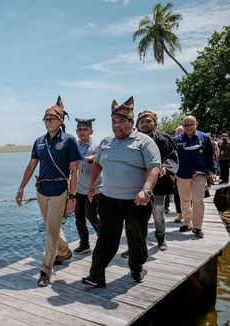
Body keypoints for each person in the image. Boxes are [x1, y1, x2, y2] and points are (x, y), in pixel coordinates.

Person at [81, 96, 161, 287]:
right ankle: (97, 275)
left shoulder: (144, 141)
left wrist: (146, 191)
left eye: (121, 122)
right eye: (113, 122)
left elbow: (154, 168)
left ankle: (136, 266)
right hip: (109, 199)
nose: (116, 126)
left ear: (131, 122)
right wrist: (91, 185)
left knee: (136, 237)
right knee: (106, 238)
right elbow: (98, 163)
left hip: (136, 200)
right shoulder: (106, 141)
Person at [16, 96, 80, 287]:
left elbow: (74, 171)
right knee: (51, 227)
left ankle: (45, 270)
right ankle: (66, 252)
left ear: (61, 121)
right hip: (41, 190)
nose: (48, 122)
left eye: (52, 119)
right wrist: (21, 188)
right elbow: (31, 167)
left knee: (51, 233)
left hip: (60, 190)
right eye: (46, 119)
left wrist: (72, 196)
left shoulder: (69, 140)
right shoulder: (39, 142)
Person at [135, 111, 178, 251]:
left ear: (155, 123)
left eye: (148, 121)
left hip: (159, 183)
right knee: (138, 216)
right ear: (137, 124)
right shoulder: (133, 140)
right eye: (142, 122)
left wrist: (163, 167)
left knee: (158, 213)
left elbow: (173, 158)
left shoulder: (163, 139)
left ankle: (161, 237)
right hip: (138, 184)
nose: (145, 124)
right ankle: (137, 244)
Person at [173, 116, 217, 238]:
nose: (188, 127)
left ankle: (197, 227)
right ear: (183, 125)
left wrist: (213, 171)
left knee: (198, 200)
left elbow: (210, 156)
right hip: (182, 174)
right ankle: (187, 222)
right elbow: (172, 158)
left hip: (200, 173)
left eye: (191, 125)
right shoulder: (176, 140)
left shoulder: (205, 138)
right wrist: (172, 172)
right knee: (185, 200)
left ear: (196, 124)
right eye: (185, 125)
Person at [73, 117, 101, 255]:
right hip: (78, 188)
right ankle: (84, 244)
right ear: (76, 131)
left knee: (91, 216)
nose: (82, 132)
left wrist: (94, 158)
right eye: (80, 129)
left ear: (91, 131)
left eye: (85, 129)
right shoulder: (74, 146)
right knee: (78, 218)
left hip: (94, 188)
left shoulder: (97, 146)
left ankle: (104, 240)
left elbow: (104, 160)